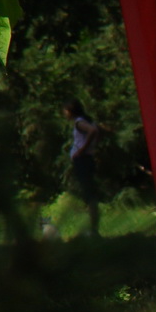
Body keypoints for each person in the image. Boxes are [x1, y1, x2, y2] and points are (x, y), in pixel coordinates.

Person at [62, 98, 100, 236]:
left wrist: (82, 149)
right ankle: (93, 227)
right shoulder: (88, 120)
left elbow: (92, 132)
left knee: (89, 194)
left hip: (83, 160)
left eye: (65, 111)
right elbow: (96, 130)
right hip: (87, 159)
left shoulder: (79, 123)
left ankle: (93, 229)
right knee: (89, 193)